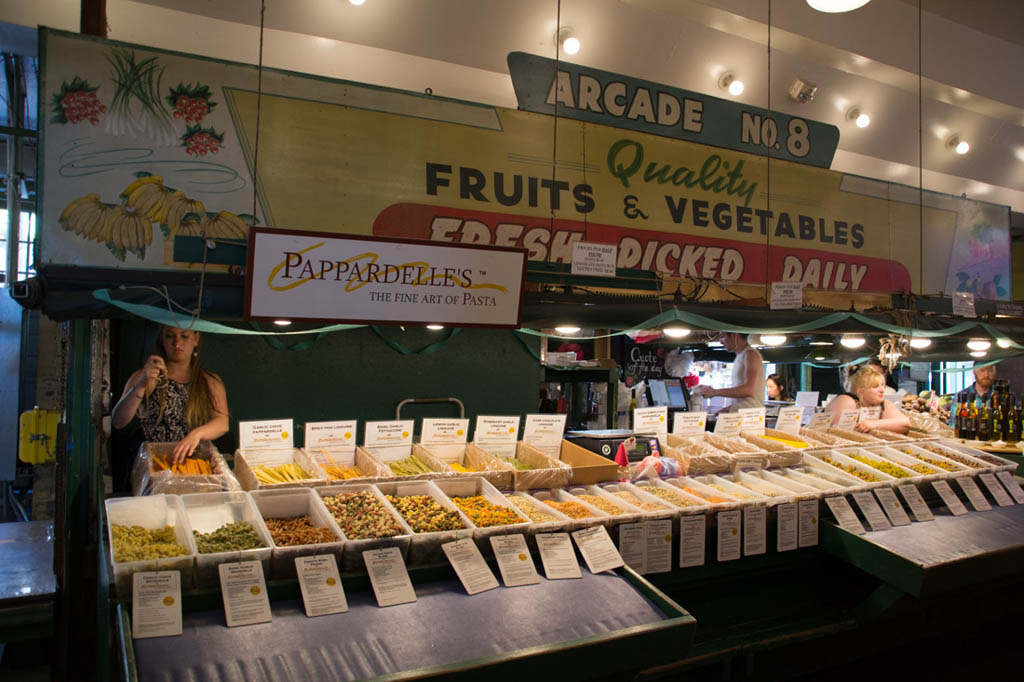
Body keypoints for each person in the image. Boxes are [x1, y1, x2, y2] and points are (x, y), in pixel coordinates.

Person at [111, 325, 229, 464]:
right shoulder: (146, 378)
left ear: (196, 339)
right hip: (153, 464)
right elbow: (118, 421)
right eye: (170, 336)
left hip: (193, 462)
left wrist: (197, 434)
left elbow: (222, 423)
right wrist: (141, 384)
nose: (177, 343)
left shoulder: (209, 381)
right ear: (162, 339)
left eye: (184, 336)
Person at [825, 364, 909, 434]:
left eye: (882, 385)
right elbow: (839, 433)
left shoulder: (883, 403)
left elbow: (905, 424)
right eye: (875, 387)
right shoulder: (847, 400)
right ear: (860, 392)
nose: (882, 390)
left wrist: (874, 424)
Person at [693, 332, 766, 412]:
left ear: (735, 335)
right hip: (742, 416)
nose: (721, 341)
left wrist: (714, 392)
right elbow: (745, 399)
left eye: (723, 337)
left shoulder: (750, 354)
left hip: (750, 417)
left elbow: (749, 390)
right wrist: (728, 409)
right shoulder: (740, 356)